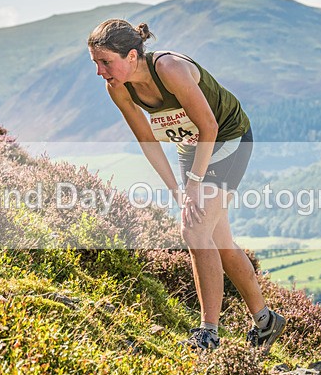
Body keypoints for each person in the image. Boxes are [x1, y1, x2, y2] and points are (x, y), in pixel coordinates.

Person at [87, 19, 286, 351]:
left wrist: (193, 184)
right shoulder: (117, 88)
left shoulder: (170, 68)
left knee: (194, 230)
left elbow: (208, 125)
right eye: (96, 63)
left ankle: (208, 333)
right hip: (191, 146)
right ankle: (266, 321)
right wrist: (178, 190)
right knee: (218, 239)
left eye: (106, 62)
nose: (100, 71)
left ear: (132, 56)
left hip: (227, 137)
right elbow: (148, 141)